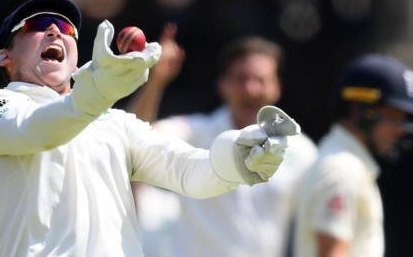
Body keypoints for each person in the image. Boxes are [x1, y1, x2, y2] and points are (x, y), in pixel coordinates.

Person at [0, 0, 302, 257]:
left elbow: (188, 171)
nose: (55, 30)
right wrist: (100, 89)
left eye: (67, 30)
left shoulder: (112, 122)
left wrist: (239, 156)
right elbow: (40, 131)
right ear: (5, 56)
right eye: (39, 24)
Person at [128, 32, 318, 257]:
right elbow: (134, 140)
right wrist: (156, 82)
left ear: (276, 87)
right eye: (241, 79)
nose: (251, 90)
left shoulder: (302, 151)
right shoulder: (194, 132)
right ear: (223, 85)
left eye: (261, 80)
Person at [293, 54, 413, 257]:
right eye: (394, 116)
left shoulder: (348, 165)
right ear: (362, 110)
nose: (400, 130)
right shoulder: (342, 170)